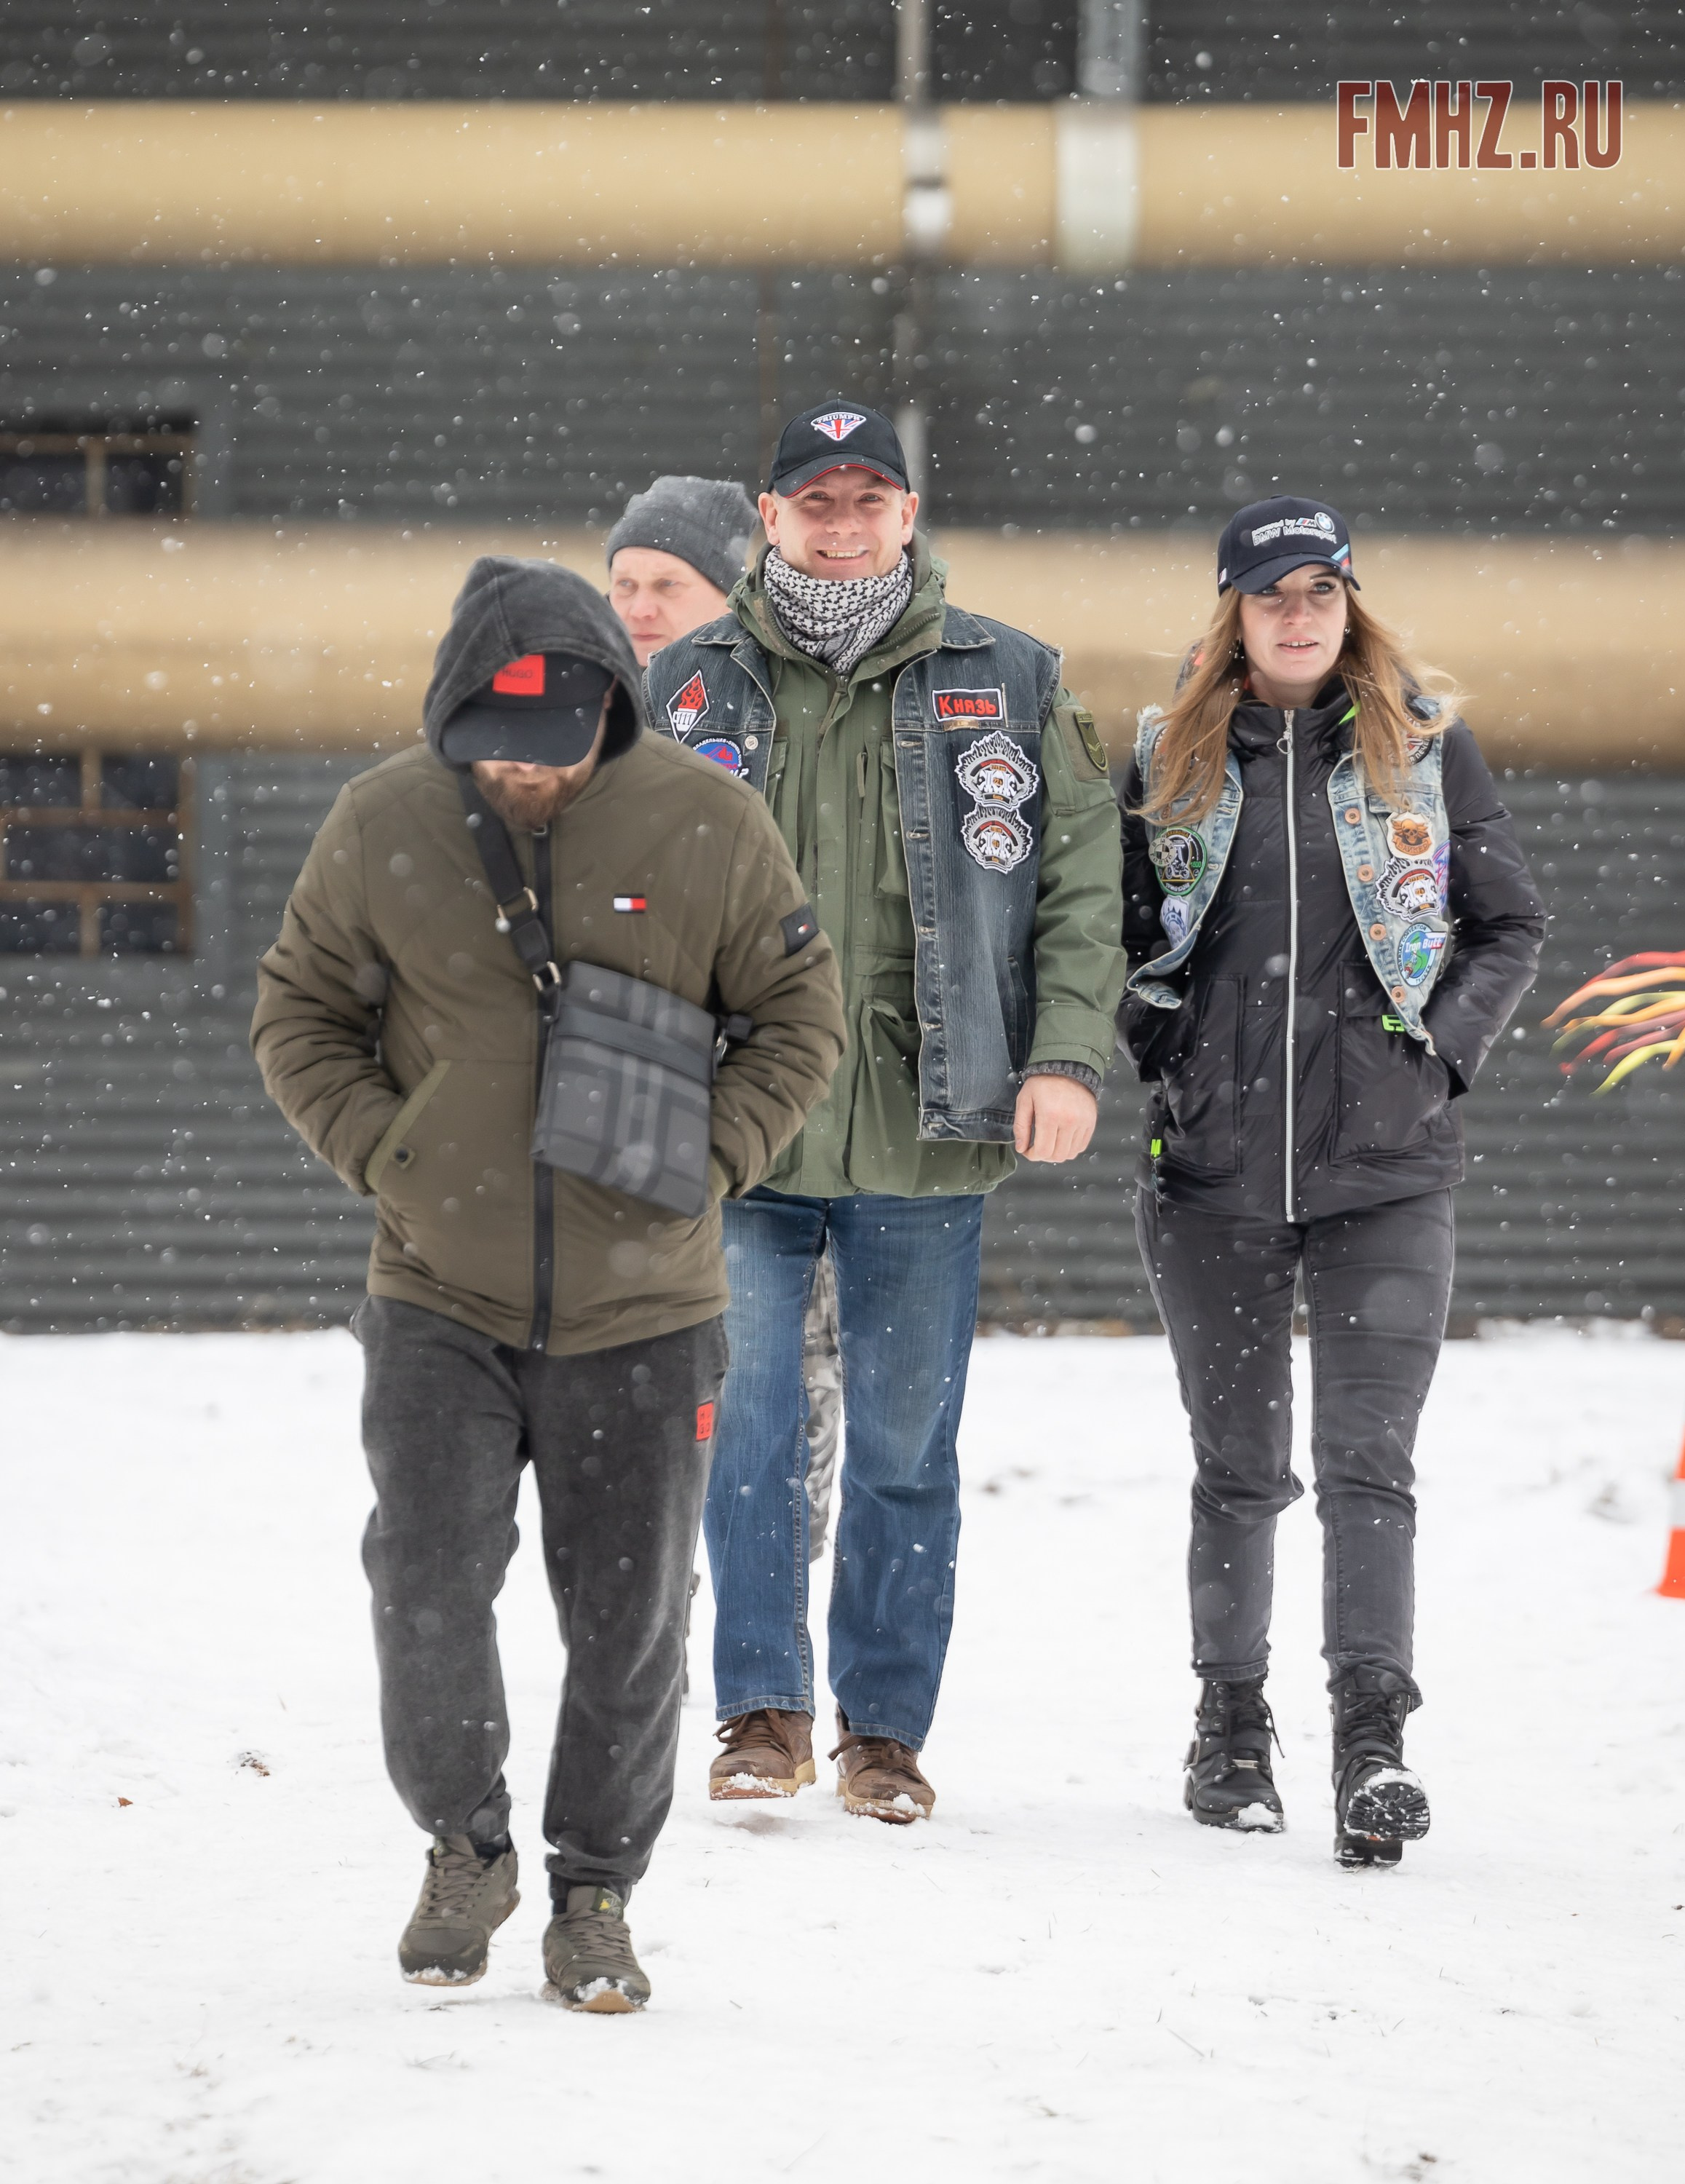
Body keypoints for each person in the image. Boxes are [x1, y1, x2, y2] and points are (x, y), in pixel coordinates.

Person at [252, 556, 844, 2008]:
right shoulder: (383, 820)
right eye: (492, 742)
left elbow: (799, 1019)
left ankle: (594, 1891)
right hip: (435, 1293)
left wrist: (705, 1158)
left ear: (612, 709)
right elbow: (299, 1009)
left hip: (646, 1308)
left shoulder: (709, 823)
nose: (522, 766)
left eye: (553, 738)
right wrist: (389, 1153)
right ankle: (466, 1846)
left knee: (629, 1617)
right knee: (428, 1585)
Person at [646, 400, 1127, 1821]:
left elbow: (1081, 893)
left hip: (931, 1123)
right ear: (769, 515)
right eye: (816, 501)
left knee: (908, 1444)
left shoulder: (1015, 681)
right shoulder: (686, 689)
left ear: (908, 518)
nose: (843, 523)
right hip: (739, 1128)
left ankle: (885, 1735)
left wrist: (1065, 1060)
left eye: (869, 500)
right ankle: (760, 1714)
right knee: (747, 1431)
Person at [1117, 496, 1545, 1865]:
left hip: (1385, 1168)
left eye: (1319, 591)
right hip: (1213, 1170)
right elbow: (1111, 933)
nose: (1297, 615)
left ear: (1349, 601)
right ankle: (1229, 1730)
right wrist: (1166, 1055)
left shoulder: (1421, 744)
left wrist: (1436, 1061)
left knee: (1370, 1466)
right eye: (1269, 594)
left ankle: (1373, 1741)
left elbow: (1507, 922)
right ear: (1231, 613)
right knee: (1237, 1471)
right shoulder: (1165, 753)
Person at [605, 472, 846, 1562]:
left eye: (669, 583)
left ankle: (768, 1678)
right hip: (620, 1123)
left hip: (771, 1125)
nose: (640, 607)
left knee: (783, 1408)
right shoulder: (579, 735)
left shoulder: (795, 730)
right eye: (623, 584)